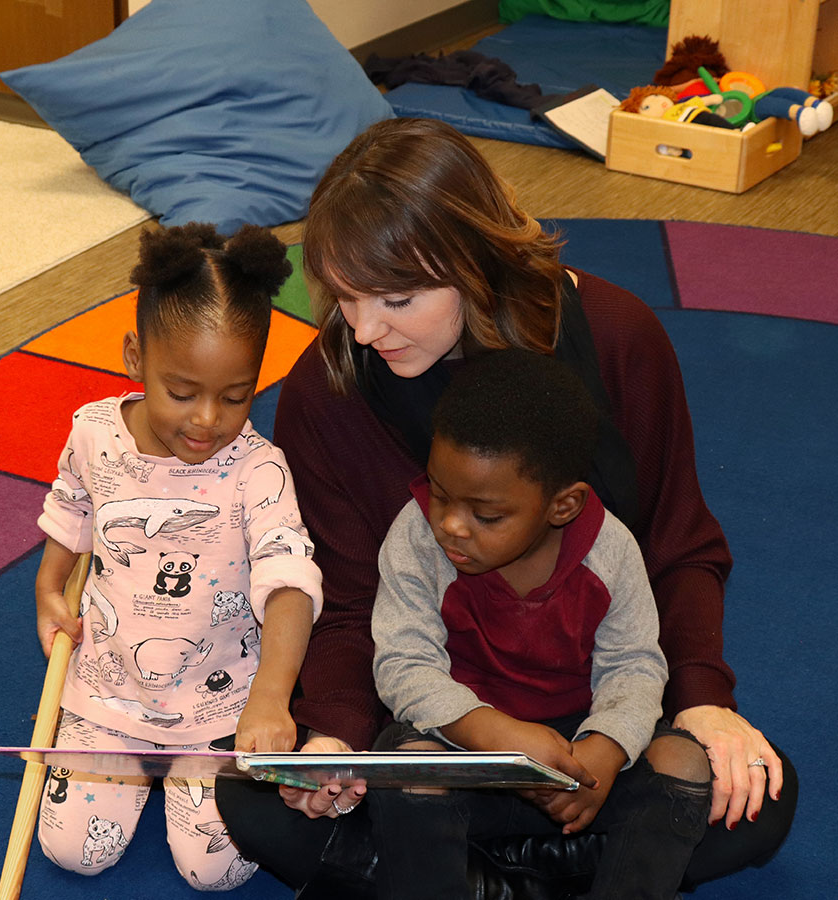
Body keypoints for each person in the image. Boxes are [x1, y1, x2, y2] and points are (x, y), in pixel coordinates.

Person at [215, 117, 796, 896]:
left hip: (601, 728)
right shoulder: (329, 389)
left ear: (475, 261)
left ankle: (473, 879)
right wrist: (336, 737)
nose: (362, 328)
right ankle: (573, 873)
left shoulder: (620, 336)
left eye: (395, 297)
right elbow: (351, 603)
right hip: (436, 726)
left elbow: (678, 544)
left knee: (753, 793)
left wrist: (703, 702)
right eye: (343, 296)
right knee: (250, 797)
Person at [34, 223, 322, 890]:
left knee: (217, 870)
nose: (207, 420)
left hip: (221, 704)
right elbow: (71, 506)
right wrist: (50, 590)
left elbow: (289, 582)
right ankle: (126, 761)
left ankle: (190, 779)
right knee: (74, 852)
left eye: (236, 395)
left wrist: (272, 701)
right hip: (110, 690)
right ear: (136, 357)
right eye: (183, 392)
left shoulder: (259, 469)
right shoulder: (93, 433)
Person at [368, 348, 711, 899]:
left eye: (487, 515)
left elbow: (636, 666)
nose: (451, 524)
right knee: (406, 769)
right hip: (467, 756)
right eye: (440, 493)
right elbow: (404, 666)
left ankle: (501, 876)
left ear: (563, 506)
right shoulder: (416, 536)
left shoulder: (609, 549)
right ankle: (531, 872)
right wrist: (495, 735)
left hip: (575, 771)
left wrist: (605, 748)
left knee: (691, 766)